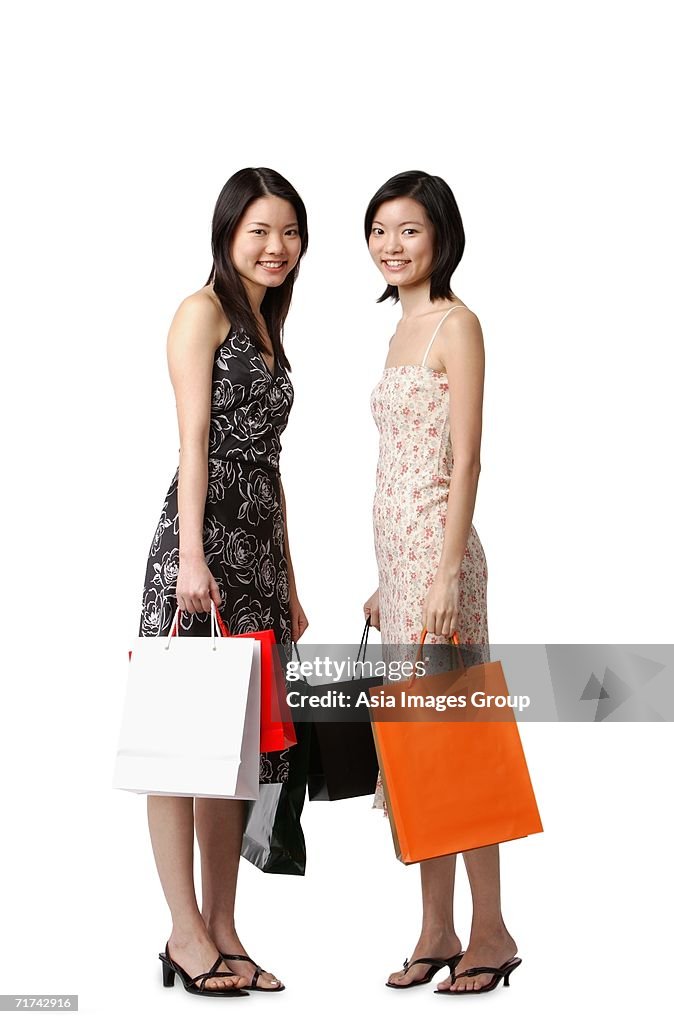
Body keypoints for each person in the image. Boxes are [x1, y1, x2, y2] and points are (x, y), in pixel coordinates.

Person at [138, 167, 309, 996]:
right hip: (200, 548)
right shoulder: (201, 310)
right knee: (180, 737)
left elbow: (271, 470)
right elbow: (194, 440)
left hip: (257, 553)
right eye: (259, 232)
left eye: (289, 232)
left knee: (236, 752)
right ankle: (183, 932)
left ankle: (225, 930)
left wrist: (291, 580)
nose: (276, 247)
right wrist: (196, 558)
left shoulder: (268, 326)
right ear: (227, 235)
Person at [363, 170, 519, 995]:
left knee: (460, 745)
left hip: (442, 566)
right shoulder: (397, 332)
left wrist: (445, 572)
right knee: (420, 753)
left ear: (441, 238)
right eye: (380, 230)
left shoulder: (456, 325)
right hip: (402, 568)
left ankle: (489, 931)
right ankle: (435, 929)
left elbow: (464, 460)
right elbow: (397, 467)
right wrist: (385, 582)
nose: (392, 246)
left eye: (409, 231)